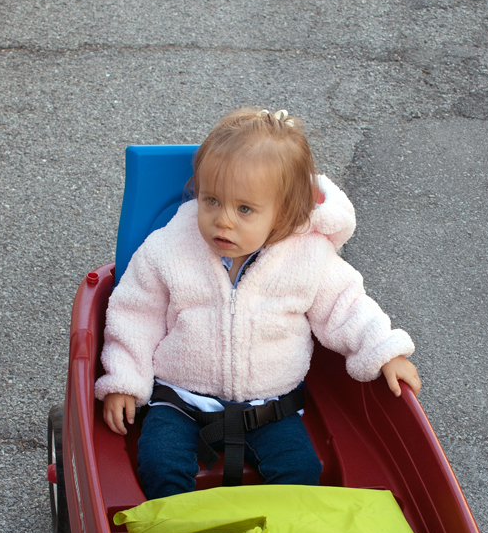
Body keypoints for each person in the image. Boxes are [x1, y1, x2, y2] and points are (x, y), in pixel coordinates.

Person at [95, 108, 420, 499]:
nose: (223, 221)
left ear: (284, 212)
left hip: (270, 405)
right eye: (211, 200)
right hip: (180, 397)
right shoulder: (169, 248)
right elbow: (135, 316)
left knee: (301, 473)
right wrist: (125, 382)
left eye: (244, 209)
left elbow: (346, 305)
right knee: (160, 465)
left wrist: (384, 351)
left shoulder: (307, 257)